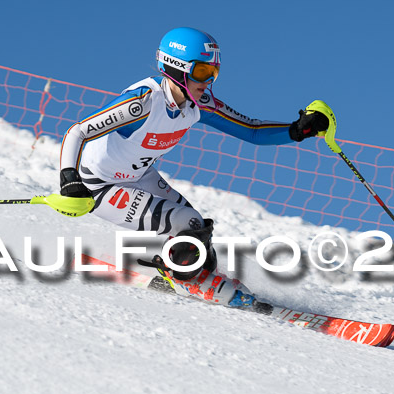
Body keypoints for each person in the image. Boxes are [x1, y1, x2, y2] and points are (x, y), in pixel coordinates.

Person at [59, 27, 328, 307]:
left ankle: (195, 276)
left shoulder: (198, 104)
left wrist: (298, 130)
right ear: (176, 68)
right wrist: (69, 180)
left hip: (137, 176)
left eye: (213, 73)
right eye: (202, 72)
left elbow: (253, 130)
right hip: (99, 185)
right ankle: (183, 279)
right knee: (190, 225)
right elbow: (77, 132)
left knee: (199, 235)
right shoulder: (143, 102)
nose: (208, 81)